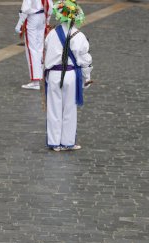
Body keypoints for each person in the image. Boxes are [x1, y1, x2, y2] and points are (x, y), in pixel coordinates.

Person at [44, 0, 93, 151]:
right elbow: (85, 59)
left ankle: (54, 143)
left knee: (53, 109)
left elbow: (46, 52)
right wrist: (87, 76)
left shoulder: (52, 34)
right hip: (71, 74)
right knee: (69, 109)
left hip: (53, 74)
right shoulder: (79, 36)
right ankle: (67, 141)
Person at [15, 0, 53, 90]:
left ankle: (35, 80)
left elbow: (26, 8)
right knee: (39, 48)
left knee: (31, 49)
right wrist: (47, 21)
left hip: (32, 18)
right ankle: (40, 76)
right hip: (42, 17)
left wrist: (19, 24)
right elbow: (50, 6)